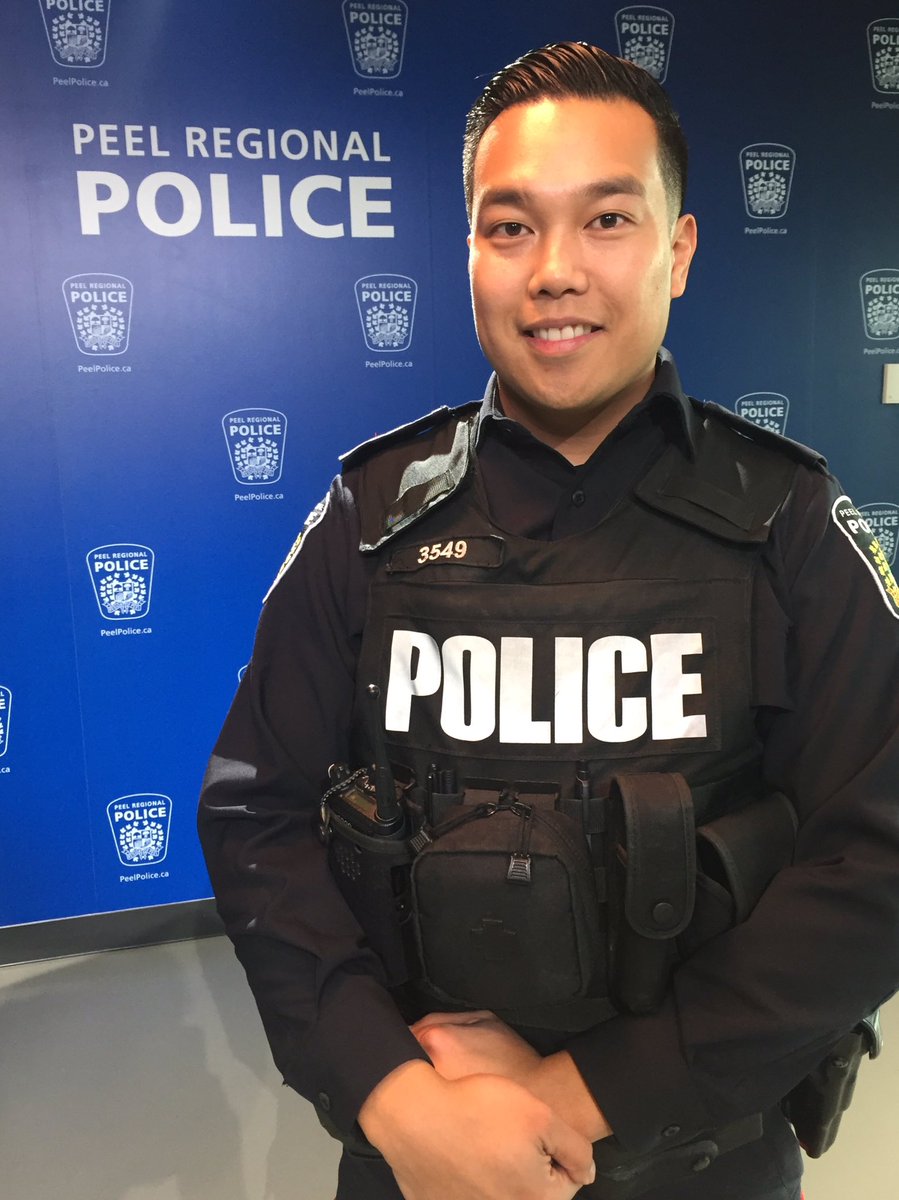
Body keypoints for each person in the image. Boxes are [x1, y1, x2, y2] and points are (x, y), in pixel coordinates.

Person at [198, 41, 899, 1200]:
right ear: (470, 253)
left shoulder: (788, 525)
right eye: (510, 226)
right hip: (425, 1154)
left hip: (699, 1159)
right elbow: (254, 814)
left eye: (606, 221)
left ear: (677, 250)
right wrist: (388, 1090)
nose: (554, 271)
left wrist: (580, 1095)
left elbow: (875, 857)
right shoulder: (369, 517)